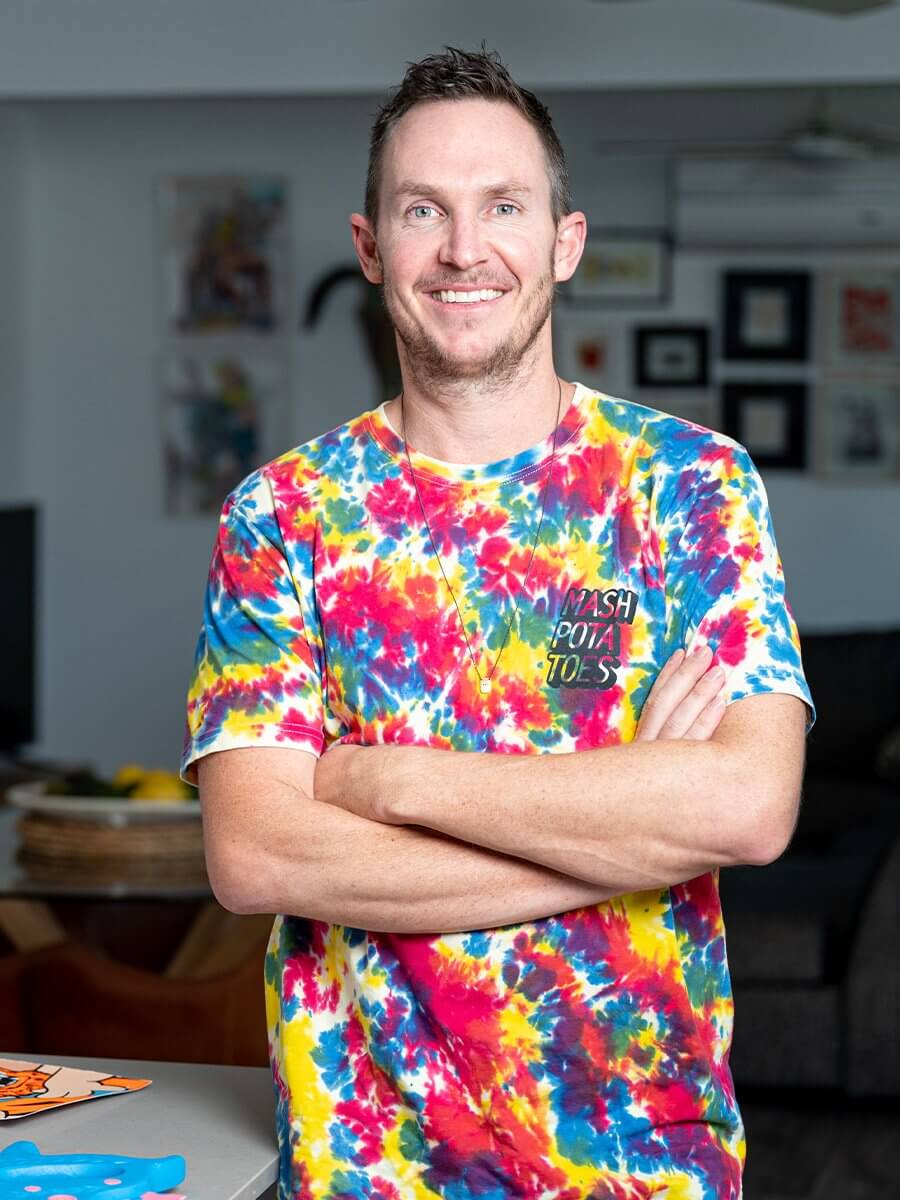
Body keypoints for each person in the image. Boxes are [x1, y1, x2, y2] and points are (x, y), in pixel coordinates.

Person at [181, 46, 813, 1200]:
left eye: (504, 206)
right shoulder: (283, 514)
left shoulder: (687, 485)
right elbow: (258, 854)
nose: (465, 249)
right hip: (368, 1166)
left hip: (647, 1159)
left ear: (565, 241)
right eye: (424, 209)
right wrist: (629, 820)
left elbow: (748, 807)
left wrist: (382, 780)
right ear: (371, 247)